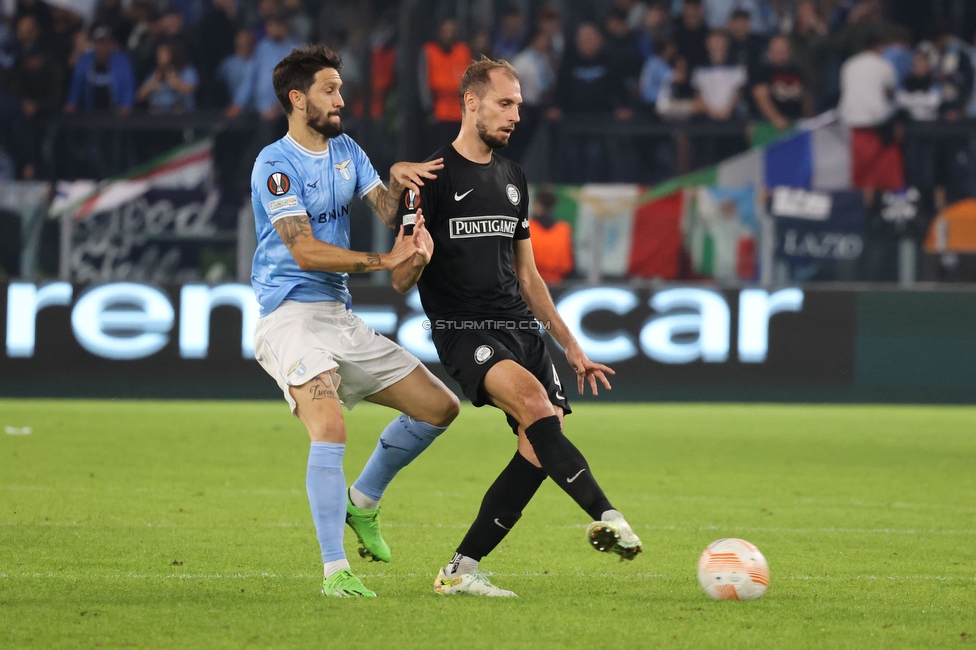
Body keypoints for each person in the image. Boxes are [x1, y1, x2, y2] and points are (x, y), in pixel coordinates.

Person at [394, 58, 642, 598]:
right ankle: (607, 514)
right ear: (471, 103)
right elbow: (398, 277)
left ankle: (460, 570)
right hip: (464, 329)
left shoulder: (513, 177)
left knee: (538, 446)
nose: (515, 116)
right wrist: (416, 257)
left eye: (519, 106)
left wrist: (571, 346)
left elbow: (528, 275)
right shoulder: (429, 177)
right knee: (534, 407)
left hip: (520, 328)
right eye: (505, 104)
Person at [249, 44, 460, 598]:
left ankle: (362, 503)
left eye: (341, 88)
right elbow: (306, 252)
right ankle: (335, 571)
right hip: (289, 317)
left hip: (338, 316)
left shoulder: (346, 148)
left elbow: (389, 210)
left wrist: (401, 187)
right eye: (329, 89)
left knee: (440, 407)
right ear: (298, 99)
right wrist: (384, 261)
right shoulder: (275, 164)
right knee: (330, 426)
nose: (342, 98)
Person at [136, 39, 198, 112]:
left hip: (181, 114)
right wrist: (151, 85)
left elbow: (190, 90)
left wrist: (175, 83)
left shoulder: (186, 71)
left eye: (164, 54)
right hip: (157, 115)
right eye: (158, 55)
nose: (160, 58)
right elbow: (139, 97)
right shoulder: (155, 74)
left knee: (178, 108)